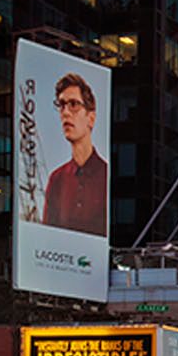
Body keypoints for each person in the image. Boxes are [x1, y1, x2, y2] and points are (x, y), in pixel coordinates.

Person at [42, 73, 108, 236]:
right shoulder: (57, 179)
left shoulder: (107, 175)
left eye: (73, 104)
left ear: (91, 118)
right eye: (61, 105)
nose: (65, 113)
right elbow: (47, 235)